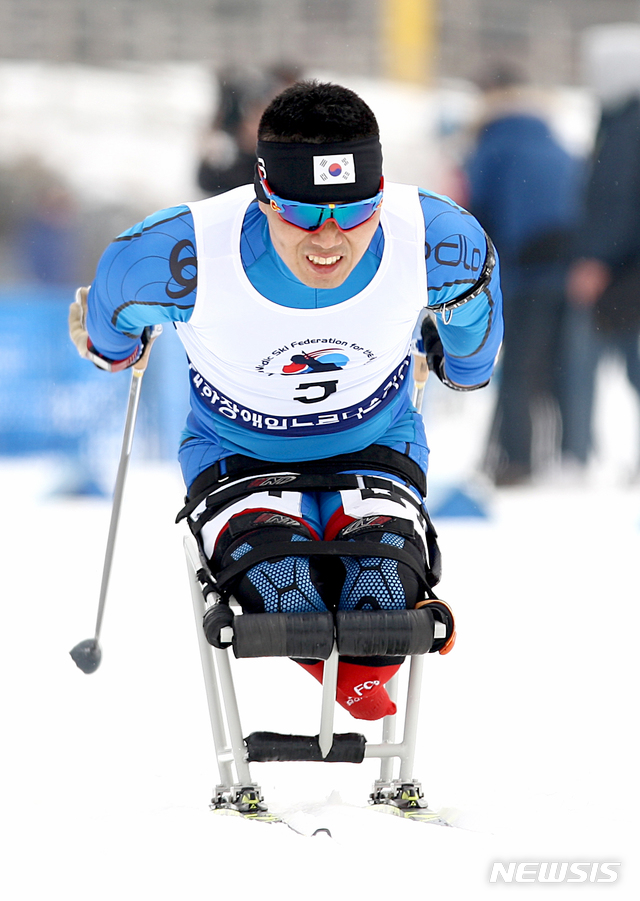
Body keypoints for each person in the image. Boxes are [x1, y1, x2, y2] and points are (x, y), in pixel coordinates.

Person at [69, 80, 503, 721]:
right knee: (283, 588)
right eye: (302, 213)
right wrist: (109, 344)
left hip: (376, 443)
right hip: (239, 453)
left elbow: (475, 360)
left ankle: (361, 678)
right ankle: (357, 681)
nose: (328, 240)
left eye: (355, 212)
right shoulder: (176, 255)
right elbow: (109, 321)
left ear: (381, 196)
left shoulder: (441, 240)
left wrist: (454, 356)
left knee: (381, 588)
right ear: (264, 194)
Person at [464, 65, 582, 485]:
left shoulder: (492, 147)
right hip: (567, 269)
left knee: (515, 369)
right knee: (559, 368)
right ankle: (572, 456)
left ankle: (517, 460)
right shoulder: (559, 144)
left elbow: (474, 216)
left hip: (520, 273)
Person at [565, 24, 640, 478]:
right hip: (629, 263)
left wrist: (594, 257)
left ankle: (575, 457)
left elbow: (614, 195)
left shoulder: (623, 124)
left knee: (583, 364)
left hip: (619, 270)